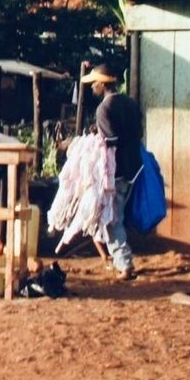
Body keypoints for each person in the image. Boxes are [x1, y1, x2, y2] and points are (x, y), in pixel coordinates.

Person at [82, 63, 143, 280]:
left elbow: (111, 141)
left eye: (94, 83)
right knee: (119, 216)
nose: (92, 87)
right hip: (133, 168)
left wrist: (95, 137)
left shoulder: (103, 109)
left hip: (115, 171)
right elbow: (137, 133)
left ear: (102, 84)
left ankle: (125, 265)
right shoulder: (131, 103)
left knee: (111, 220)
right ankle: (121, 260)